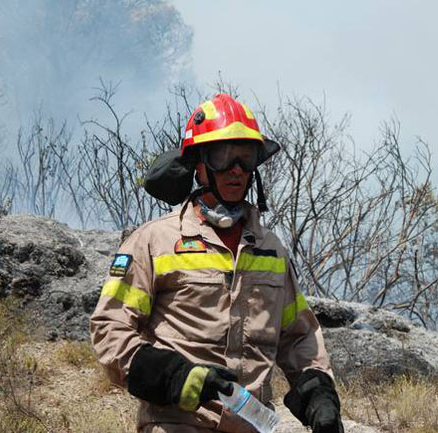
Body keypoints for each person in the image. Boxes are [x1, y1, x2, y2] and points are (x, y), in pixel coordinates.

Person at [89, 94, 344, 433]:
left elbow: (300, 337)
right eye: (223, 156)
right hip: (177, 423)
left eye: (246, 157)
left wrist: (318, 395)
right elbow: (110, 328)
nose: (236, 169)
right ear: (198, 164)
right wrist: (174, 376)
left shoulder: (271, 250)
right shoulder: (154, 241)